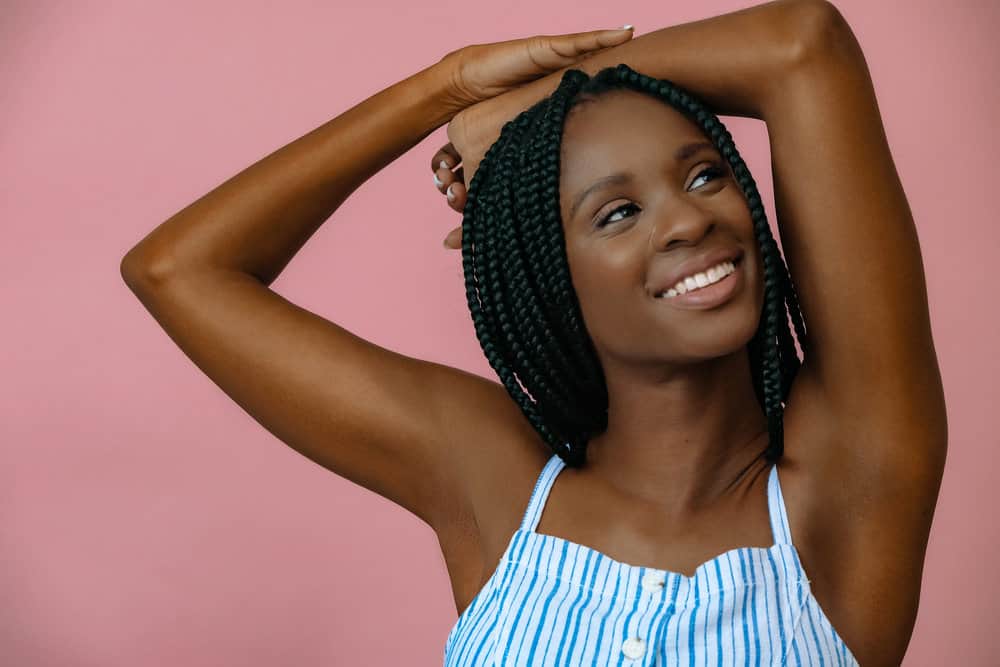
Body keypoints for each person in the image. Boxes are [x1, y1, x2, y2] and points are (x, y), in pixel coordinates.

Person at [120, 0, 946, 664]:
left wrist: (541, 99)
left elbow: (805, 45)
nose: (690, 218)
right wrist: (441, 91)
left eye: (705, 174)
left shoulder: (844, 491)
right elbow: (177, 269)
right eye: (618, 212)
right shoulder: (494, 483)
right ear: (549, 276)